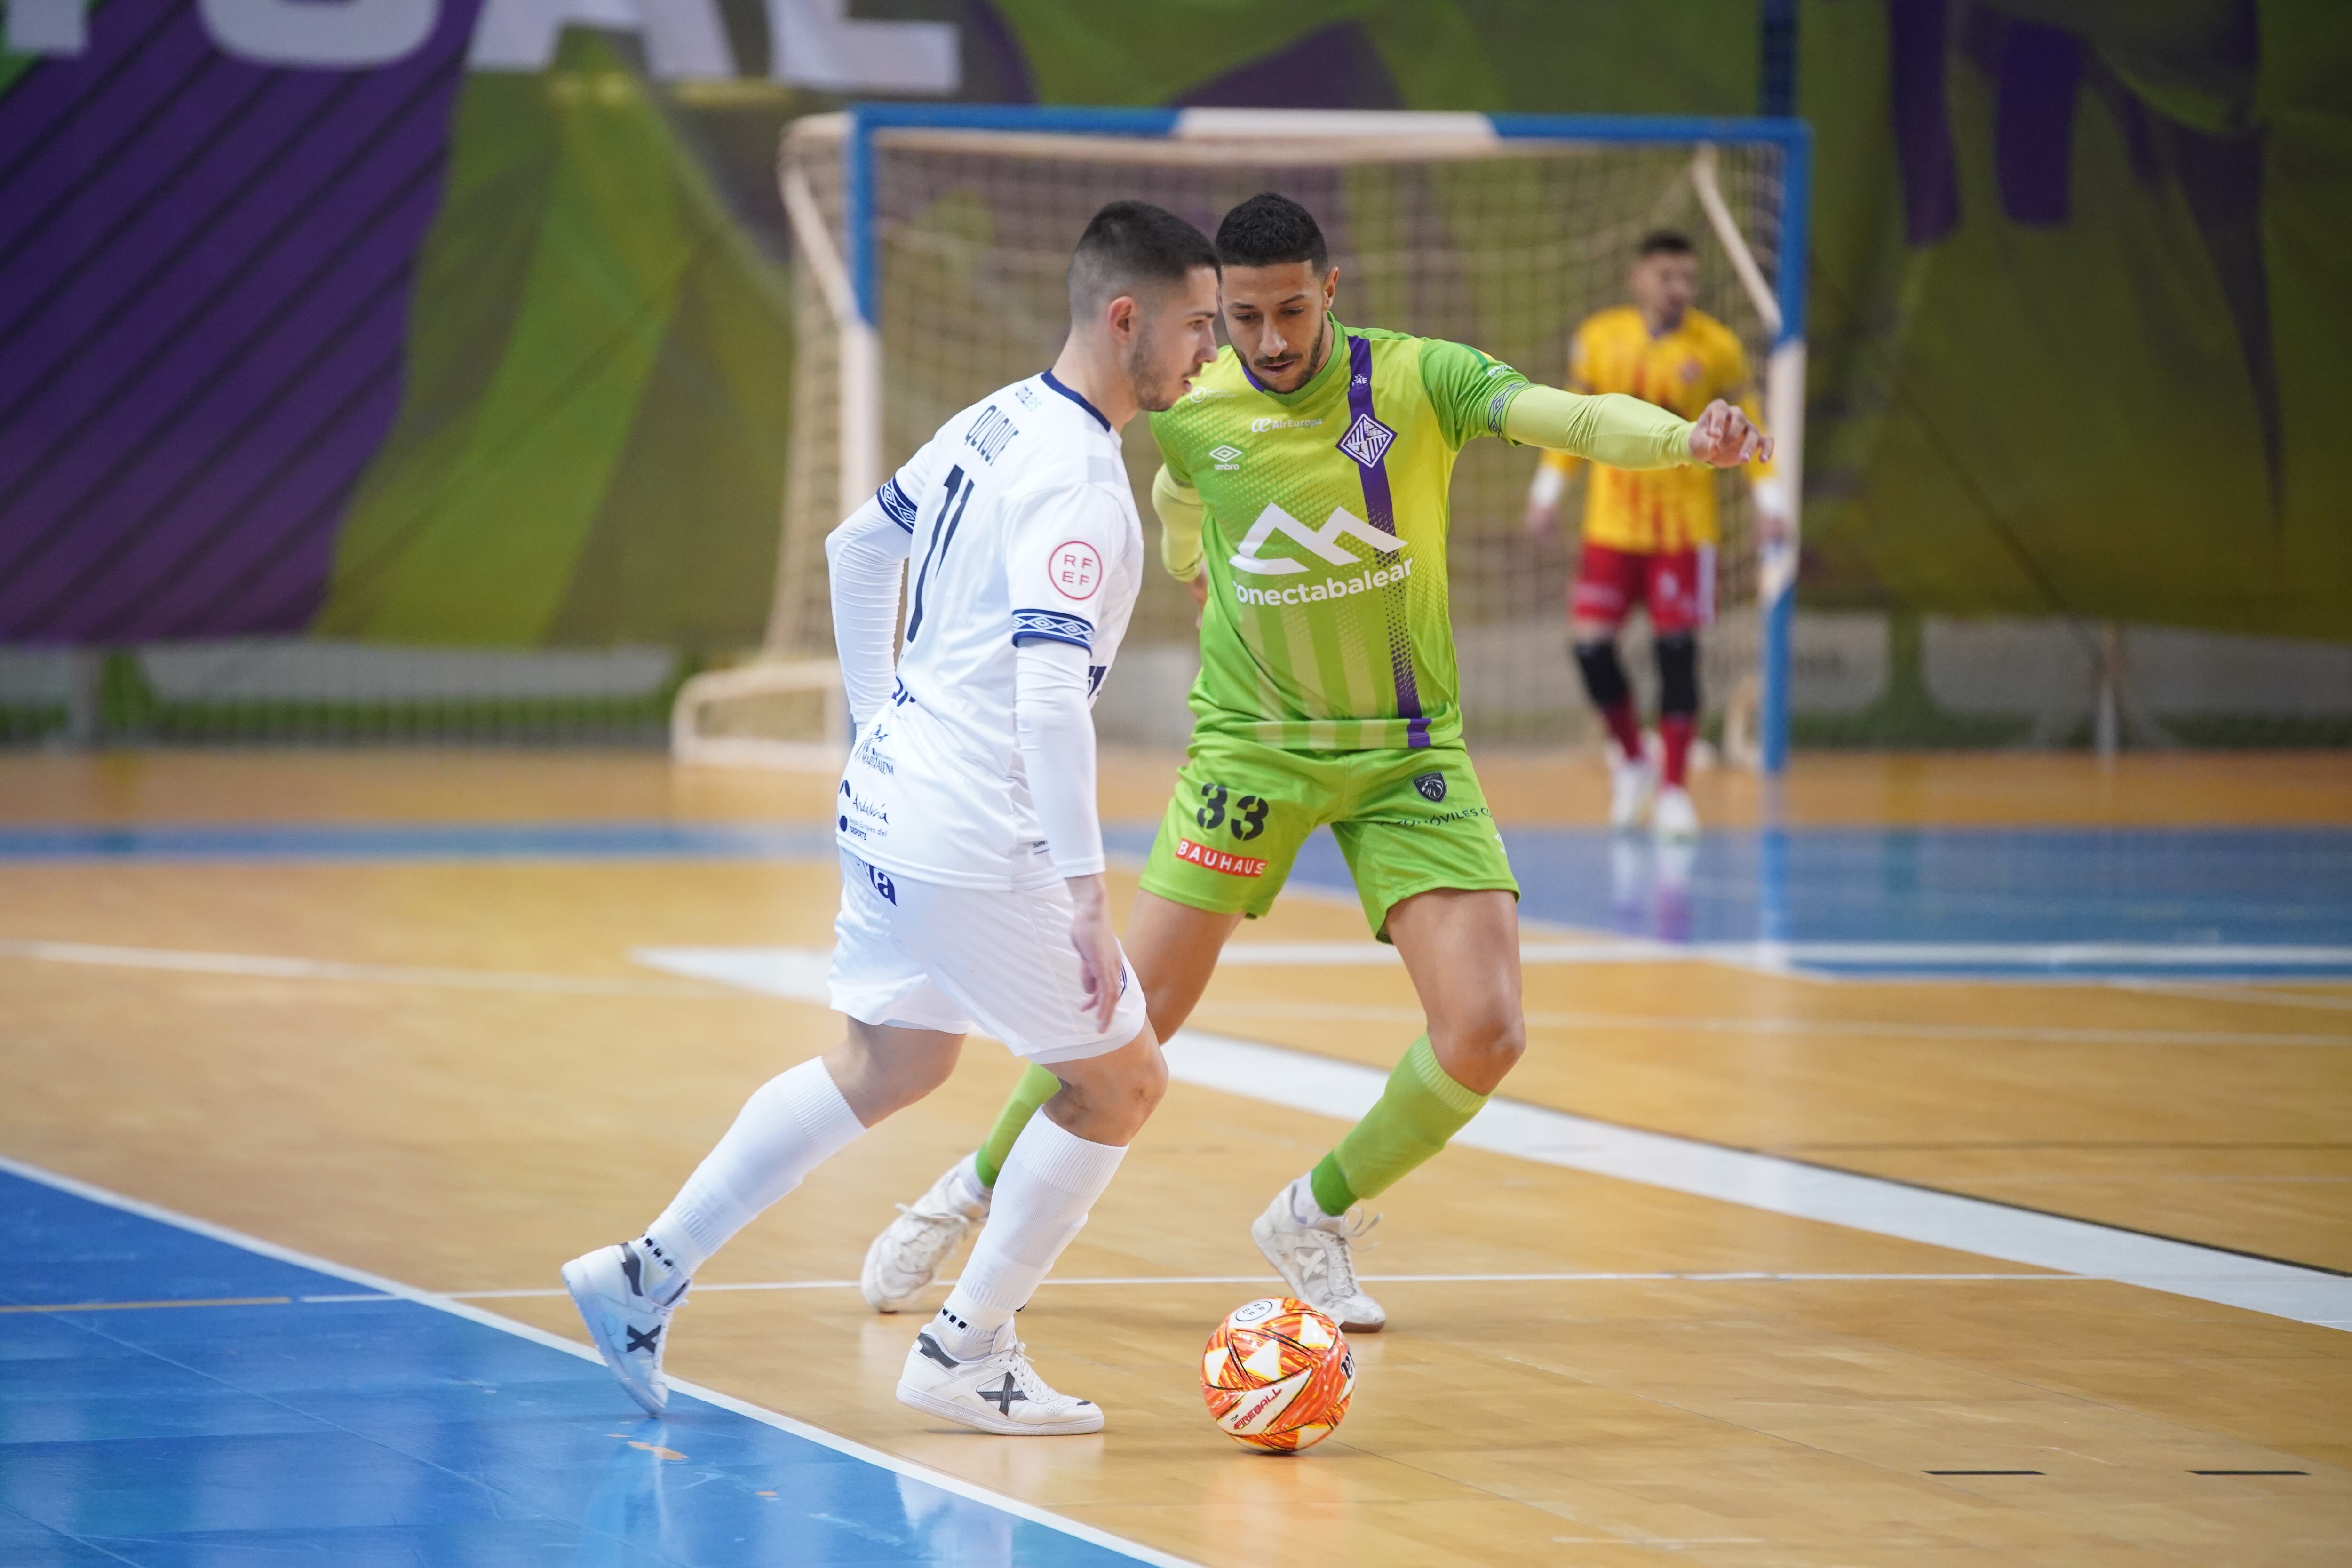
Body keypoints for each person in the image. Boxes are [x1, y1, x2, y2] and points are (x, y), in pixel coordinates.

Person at [860, 194, 1768, 1335]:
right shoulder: (1192, 406)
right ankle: (964, 1193)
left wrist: (1686, 441)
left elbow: (1565, 418)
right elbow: (1173, 489)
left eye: (1292, 309)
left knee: (1486, 1032)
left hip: (1406, 751)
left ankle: (1313, 1214)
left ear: (1330, 291)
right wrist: (1189, 556)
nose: (1271, 339)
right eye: (1242, 317)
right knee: (1116, 1018)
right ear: (1215, 313)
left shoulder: (1418, 378)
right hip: (1253, 747)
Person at [562, 201, 1222, 1436]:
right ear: (1126, 317)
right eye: (1198, 327)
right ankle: (966, 1347)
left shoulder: (991, 419)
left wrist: (876, 724)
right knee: (1124, 1082)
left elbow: (856, 548)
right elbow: (1042, 697)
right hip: (973, 830)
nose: (1211, 355)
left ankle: (643, 1272)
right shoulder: (1080, 481)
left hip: (889, 802)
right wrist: (1083, 888)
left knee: (894, 1060)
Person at [1523, 229, 1789, 838]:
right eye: (1667, 277)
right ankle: (1634, 761)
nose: (1679, 290)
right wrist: (1545, 497)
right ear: (1638, 278)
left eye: (1689, 279)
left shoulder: (1717, 349)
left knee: (1678, 655)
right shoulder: (1599, 339)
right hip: (1610, 527)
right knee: (1590, 646)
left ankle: (1673, 790)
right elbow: (1572, 425)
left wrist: (1768, 500)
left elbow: (1752, 429)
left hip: (1685, 531)